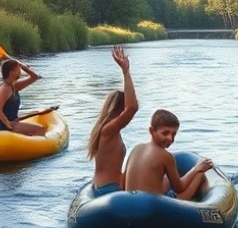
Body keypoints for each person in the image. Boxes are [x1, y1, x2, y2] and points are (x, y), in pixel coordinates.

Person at [123, 109, 214, 200]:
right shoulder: (166, 156)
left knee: (166, 177)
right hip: (154, 205)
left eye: (174, 134)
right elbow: (180, 188)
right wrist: (196, 168)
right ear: (151, 130)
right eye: (165, 133)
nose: (170, 138)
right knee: (199, 174)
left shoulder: (136, 148)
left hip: (130, 201)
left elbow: (123, 181)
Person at [87, 46, 139, 196]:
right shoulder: (108, 129)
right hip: (109, 190)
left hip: (101, 187)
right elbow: (132, 108)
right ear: (119, 109)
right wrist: (126, 72)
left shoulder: (104, 129)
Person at [0, 58, 44, 136]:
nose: (20, 72)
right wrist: (9, 125)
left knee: (33, 131)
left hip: (13, 122)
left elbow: (34, 77)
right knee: (40, 129)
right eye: (18, 69)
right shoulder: (5, 88)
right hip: (3, 125)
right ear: (12, 72)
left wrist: (22, 65)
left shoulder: (15, 86)